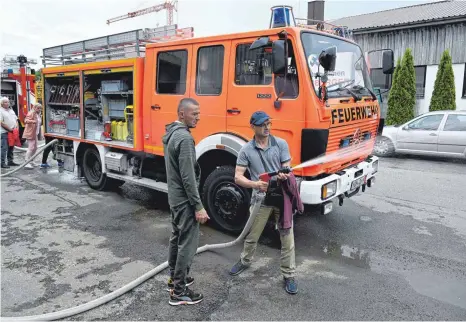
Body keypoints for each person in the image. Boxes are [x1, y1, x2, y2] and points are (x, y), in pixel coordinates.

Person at [229, 111, 302, 295]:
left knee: (287, 238)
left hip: (281, 197)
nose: (267, 127)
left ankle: (289, 275)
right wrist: (254, 184)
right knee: (252, 235)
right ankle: (245, 261)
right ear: (252, 126)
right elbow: (238, 177)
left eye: (269, 123)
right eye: (263, 124)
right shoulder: (246, 150)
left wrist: (286, 174)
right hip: (260, 198)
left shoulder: (280, 144)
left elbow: (287, 167)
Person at [162, 97, 210, 306]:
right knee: (187, 245)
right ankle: (178, 291)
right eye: (194, 114)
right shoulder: (185, 140)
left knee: (176, 238)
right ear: (182, 114)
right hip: (184, 201)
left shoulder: (172, 134)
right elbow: (188, 177)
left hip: (175, 197)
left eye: (199, 113)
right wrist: (198, 206)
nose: (198, 117)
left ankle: (174, 278)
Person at [22, 103, 43, 169]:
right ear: (34, 108)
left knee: (35, 148)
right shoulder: (31, 113)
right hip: (30, 133)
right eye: (38, 108)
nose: (39, 109)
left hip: (35, 133)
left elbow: (39, 124)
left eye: (40, 108)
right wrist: (33, 121)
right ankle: (26, 162)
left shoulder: (38, 114)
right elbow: (26, 120)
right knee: (31, 147)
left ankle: (31, 160)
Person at [0, 97, 19, 168]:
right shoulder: (1, 111)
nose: (7, 103)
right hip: (4, 132)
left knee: (11, 147)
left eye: (8, 102)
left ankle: (10, 161)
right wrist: (10, 129)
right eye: (5, 102)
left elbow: (16, 119)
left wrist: (16, 127)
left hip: (13, 132)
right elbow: (1, 123)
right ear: (1, 103)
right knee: (4, 148)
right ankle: (2, 163)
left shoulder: (11, 110)